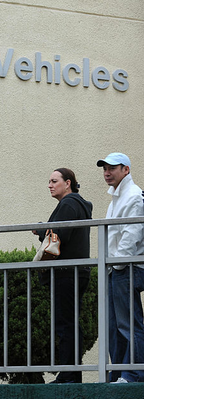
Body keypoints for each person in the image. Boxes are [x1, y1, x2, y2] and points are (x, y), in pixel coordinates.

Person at [33, 168, 93, 383]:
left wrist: (40, 230)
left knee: (65, 324)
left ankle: (68, 374)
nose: (50, 185)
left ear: (68, 183)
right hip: (75, 272)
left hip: (66, 273)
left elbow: (60, 235)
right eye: (49, 181)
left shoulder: (68, 204)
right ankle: (71, 373)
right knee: (70, 322)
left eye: (54, 181)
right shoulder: (78, 204)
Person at [97, 153, 144, 383]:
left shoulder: (133, 196)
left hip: (125, 268)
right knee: (114, 328)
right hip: (116, 268)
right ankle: (118, 374)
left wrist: (116, 264)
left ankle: (134, 374)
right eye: (105, 168)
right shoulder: (118, 197)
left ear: (125, 169)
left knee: (128, 324)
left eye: (112, 168)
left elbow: (131, 235)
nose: (107, 172)